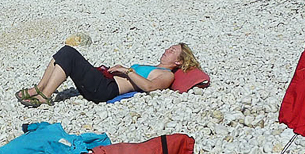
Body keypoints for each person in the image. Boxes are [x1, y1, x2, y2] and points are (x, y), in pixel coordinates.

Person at [16, 43, 202, 107]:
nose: (167, 50)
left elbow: (150, 87)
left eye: (173, 50)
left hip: (105, 89)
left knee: (69, 53)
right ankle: (40, 88)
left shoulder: (166, 74)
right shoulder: (155, 66)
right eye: (169, 47)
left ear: (178, 62)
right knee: (64, 54)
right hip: (103, 82)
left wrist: (126, 71)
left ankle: (45, 96)